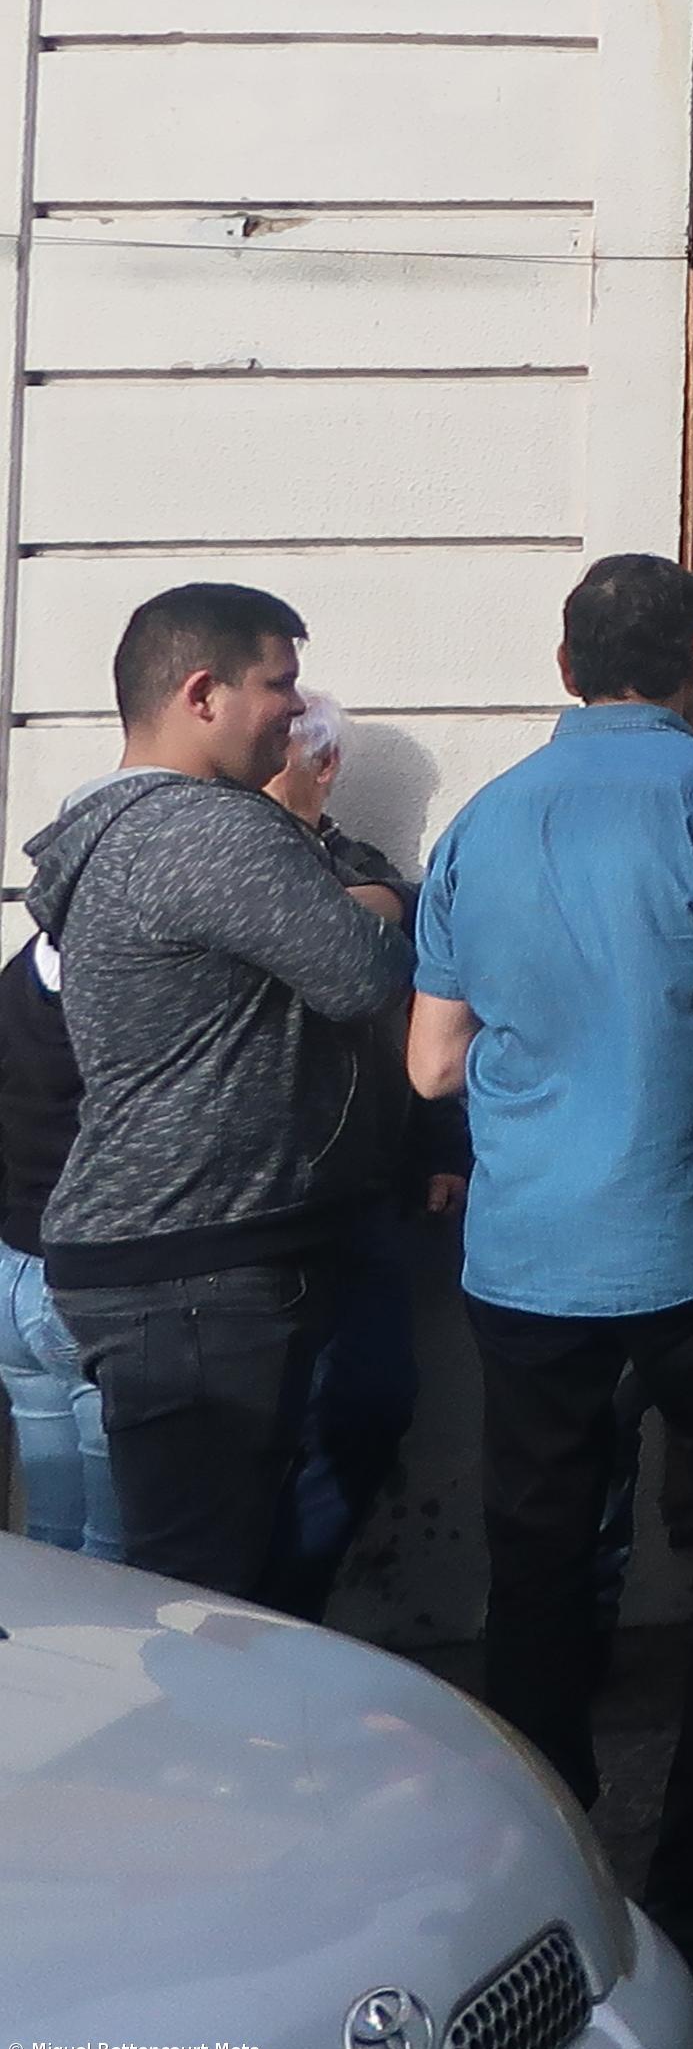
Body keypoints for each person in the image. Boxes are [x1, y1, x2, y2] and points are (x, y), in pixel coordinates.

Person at [408, 555, 693, 1975]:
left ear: (567, 662)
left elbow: (431, 1062)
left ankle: (548, 1854)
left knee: (539, 1559)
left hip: (529, 1250)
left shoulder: (483, 818)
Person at [25, 583, 414, 1605]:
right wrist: (383, 901)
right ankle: (211, 1762)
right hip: (196, 1274)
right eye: (278, 686)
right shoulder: (204, 831)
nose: (297, 713)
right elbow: (363, 973)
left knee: (214, 1578)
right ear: (202, 693)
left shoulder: (126, 828)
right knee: (197, 1599)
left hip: (178, 1263)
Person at [255, 683, 460, 1621]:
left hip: (361, 1202)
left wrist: (442, 1148)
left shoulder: (367, 873)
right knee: (240, 1434)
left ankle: (288, 1612)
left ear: (325, 767)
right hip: (238, 1211)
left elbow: (428, 1007)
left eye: (279, 757)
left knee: (371, 1407)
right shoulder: (206, 862)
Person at [0, 906, 112, 1560]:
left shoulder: (16, 978)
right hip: (85, 1281)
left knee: (50, 1536)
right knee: (117, 1552)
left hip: (13, 1272)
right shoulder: (128, 986)